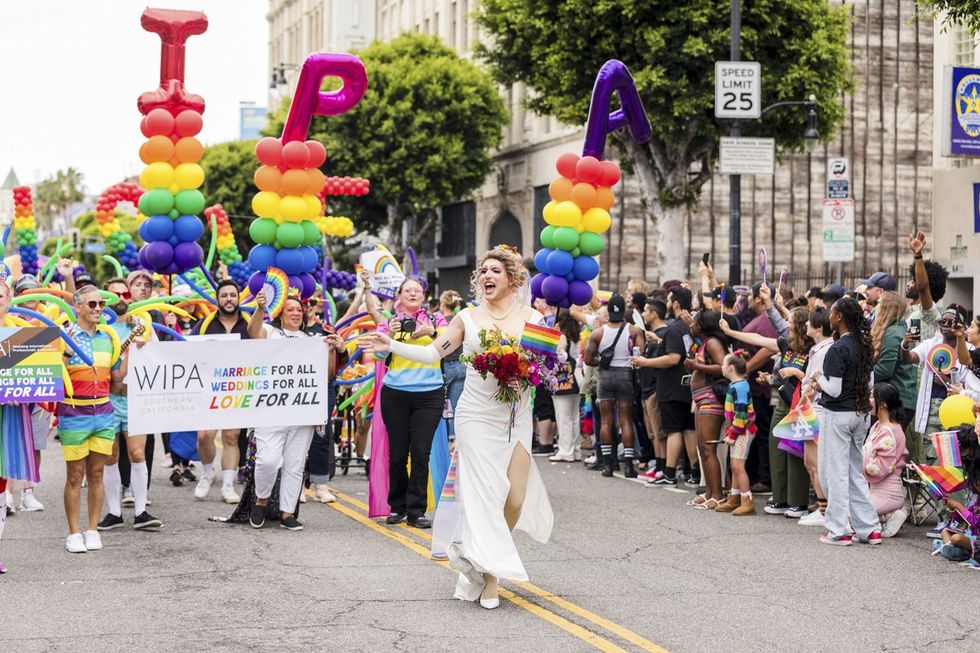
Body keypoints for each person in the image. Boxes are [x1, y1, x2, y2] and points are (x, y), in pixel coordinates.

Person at [369, 246, 553, 610]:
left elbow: (545, 369)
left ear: (512, 278)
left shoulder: (534, 316)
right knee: (486, 495)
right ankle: (492, 577)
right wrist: (391, 344)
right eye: (483, 270)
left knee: (514, 496)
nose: (487, 276)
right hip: (475, 415)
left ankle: (482, 556)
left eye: (496, 271)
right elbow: (432, 353)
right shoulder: (467, 318)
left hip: (516, 416)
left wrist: (526, 378)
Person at [245, 295, 345, 529]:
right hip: (271, 410)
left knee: (295, 463)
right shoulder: (270, 332)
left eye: (299, 310)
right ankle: (261, 501)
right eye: (290, 309)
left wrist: (332, 350)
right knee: (268, 460)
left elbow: (328, 375)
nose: (296, 313)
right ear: (280, 313)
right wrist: (260, 308)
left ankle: (287, 513)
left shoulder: (313, 340)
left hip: (302, 412)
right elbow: (253, 331)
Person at [366, 274, 449, 529]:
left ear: (425, 295)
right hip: (396, 395)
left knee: (421, 452)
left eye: (417, 290)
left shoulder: (438, 320)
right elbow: (378, 353)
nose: (412, 294)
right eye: (407, 291)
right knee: (398, 454)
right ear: (399, 296)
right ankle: (397, 507)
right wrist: (388, 337)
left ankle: (417, 511)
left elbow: (447, 344)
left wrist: (431, 331)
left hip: (430, 394)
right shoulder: (390, 323)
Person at [60, 285, 127, 553]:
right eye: (92, 304)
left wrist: (132, 346)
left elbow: (117, 378)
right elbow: (54, 376)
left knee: (97, 475)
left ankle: (92, 529)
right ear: (77, 307)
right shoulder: (64, 335)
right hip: (74, 413)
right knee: (75, 476)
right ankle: (74, 533)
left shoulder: (108, 337)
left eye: (101, 304)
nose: (99, 308)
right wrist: (65, 350)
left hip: (104, 413)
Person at [812, 297, 881, 546]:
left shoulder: (837, 349)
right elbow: (870, 384)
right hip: (860, 414)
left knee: (835, 473)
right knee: (855, 472)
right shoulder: (864, 346)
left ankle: (839, 530)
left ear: (839, 317)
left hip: (837, 415)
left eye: (832, 312)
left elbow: (833, 389)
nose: (829, 316)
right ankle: (869, 528)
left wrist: (818, 378)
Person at [191, 279, 264, 504]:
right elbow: (185, 351)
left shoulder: (248, 323)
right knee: (204, 435)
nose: (229, 299)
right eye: (224, 295)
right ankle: (207, 473)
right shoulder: (203, 325)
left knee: (231, 437)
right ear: (217, 299)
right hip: (208, 389)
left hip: (237, 388)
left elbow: (260, 341)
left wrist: (260, 309)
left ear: (239, 298)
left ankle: (228, 485)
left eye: (233, 295)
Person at [98, 277, 163, 531]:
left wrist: (146, 346)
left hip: (135, 399)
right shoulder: (101, 327)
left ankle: (141, 511)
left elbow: (159, 357)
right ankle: (114, 512)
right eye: (115, 295)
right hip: (107, 400)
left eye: (125, 293)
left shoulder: (142, 325)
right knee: (110, 457)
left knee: (137, 454)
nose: (122, 298)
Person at [630, 287, 696, 487]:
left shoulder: (675, 328)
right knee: (688, 430)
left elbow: (674, 357)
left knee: (674, 431)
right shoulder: (689, 326)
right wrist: (659, 340)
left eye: (669, 300)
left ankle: (668, 472)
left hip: (672, 386)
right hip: (687, 384)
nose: (667, 303)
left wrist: (644, 362)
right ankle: (695, 472)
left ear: (675, 303)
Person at [900, 305, 974, 464]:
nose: (945, 325)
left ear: (960, 325)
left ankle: (952, 489)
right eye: (943, 321)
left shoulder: (970, 351)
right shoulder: (930, 344)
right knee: (932, 458)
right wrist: (905, 344)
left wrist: (947, 381)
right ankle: (937, 488)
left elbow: (973, 386)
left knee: (954, 459)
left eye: (951, 322)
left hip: (957, 412)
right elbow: (909, 358)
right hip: (932, 411)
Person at [0, 279, 39, 571]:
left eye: (1, 295)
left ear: (9, 299)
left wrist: (20, 394)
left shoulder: (23, 333)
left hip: (7, 417)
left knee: (1, 483)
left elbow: (36, 376)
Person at [583, 295, 643, 477]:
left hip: (605, 376)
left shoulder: (598, 333)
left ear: (608, 313)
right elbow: (641, 355)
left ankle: (608, 465)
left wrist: (603, 360)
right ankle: (629, 466)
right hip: (625, 376)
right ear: (624, 311)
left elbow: (588, 359)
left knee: (606, 421)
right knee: (625, 420)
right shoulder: (634, 331)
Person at [683, 310, 729, 508]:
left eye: (693, 322)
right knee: (702, 448)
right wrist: (693, 367)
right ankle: (709, 492)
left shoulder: (712, 343)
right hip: (701, 399)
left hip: (711, 399)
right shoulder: (703, 344)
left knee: (708, 447)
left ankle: (717, 495)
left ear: (700, 326)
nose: (690, 325)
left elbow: (724, 367)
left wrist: (697, 366)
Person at [739, 282, 780, 491]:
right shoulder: (757, 318)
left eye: (749, 295)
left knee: (763, 433)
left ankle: (765, 478)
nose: (746, 299)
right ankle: (757, 475)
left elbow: (768, 348)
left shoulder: (766, 321)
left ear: (758, 298)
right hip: (755, 386)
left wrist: (746, 367)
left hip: (763, 388)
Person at [797, 308, 833, 527]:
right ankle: (823, 507)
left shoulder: (822, 351)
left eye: (809, 323)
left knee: (814, 462)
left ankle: (824, 510)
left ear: (819, 328)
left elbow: (815, 382)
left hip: (815, 409)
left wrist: (805, 397)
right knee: (810, 461)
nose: (806, 326)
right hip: (812, 408)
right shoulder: (818, 350)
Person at [714, 350, 758, 516]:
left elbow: (741, 414)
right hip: (738, 430)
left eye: (724, 364)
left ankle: (747, 502)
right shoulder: (737, 384)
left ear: (731, 368)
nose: (722, 367)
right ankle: (734, 497)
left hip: (743, 431)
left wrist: (732, 434)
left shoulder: (739, 386)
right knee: (734, 465)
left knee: (738, 466)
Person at [863, 383, 909, 538]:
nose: (868, 399)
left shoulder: (889, 431)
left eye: (871, 396)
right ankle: (888, 516)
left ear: (882, 404)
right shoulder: (877, 426)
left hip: (888, 492)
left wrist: (856, 459)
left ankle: (885, 516)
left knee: (850, 515)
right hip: (876, 490)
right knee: (848, 511)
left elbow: (878, 469)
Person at [638, 299, 669, 480]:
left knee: (659, 432)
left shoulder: (664, 334)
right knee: (652, 433)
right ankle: (657, 464)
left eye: (645, 311)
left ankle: (663, 467)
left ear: (653, 314)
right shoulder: (651, 335)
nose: (642, 314)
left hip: (655, 388)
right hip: (645, 388)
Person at [549, 309, 583, 463]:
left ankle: (565, 450)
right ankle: (576, 450)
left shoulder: (562, 336)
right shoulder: (577, 336)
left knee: (563, 417)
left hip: (564, 378)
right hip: (577, 375)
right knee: (574, 417)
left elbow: (558, 352)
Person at [906, 231, 947, 341]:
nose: (908, 284)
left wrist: (918, 255)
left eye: (913, 281)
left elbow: (923, 287)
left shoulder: (928, 312)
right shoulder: (908, 310)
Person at [440, 290, 466, 440]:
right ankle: (454, 437)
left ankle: (443, 438)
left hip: (445, 366)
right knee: (456, 405)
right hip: (461, 366)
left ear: (443, 303)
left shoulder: (439, 322)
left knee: (440, 405)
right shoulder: (461, 320)